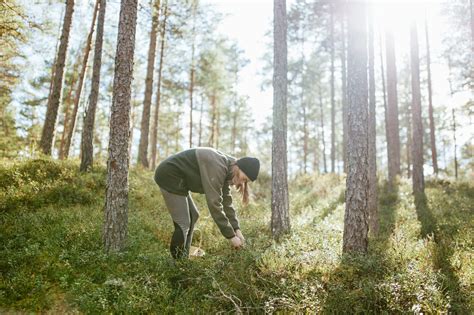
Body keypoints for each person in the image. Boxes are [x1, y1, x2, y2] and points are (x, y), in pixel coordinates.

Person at [154, 147, 260, 259]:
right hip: (169, 175)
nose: (240, 182)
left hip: (180, 180)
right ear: (238, 167)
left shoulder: (229, 169)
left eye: (245, 181)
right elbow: (214, 203)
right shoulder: (218, 166)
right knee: (183, 222)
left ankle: (183, 258)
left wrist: (237, 230)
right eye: (242, 178)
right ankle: (177, 264)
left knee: (193, 215)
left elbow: (226, 203)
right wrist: (231, 237)